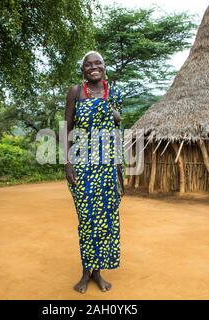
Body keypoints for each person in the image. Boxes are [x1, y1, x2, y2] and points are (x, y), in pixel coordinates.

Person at [64, 51, 124, 293]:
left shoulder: (114, 93)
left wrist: (119, 170)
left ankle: (97, 273)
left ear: (104, 66)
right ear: (83, 70)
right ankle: (85, 272)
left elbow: (118, 130)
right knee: (87, 219)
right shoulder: (76, 92)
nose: (93, 67)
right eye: (88, 64)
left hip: (108, 165)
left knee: (105, 218)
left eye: (97, 62)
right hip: (82, 165)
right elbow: (66, 127)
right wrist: (67, 163)